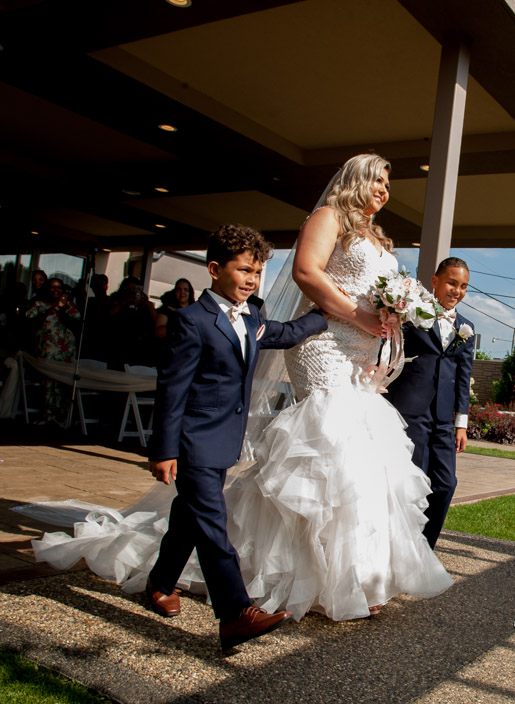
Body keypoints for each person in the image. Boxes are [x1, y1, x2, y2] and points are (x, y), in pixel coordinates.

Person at [32, 153, 451, 633]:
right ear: (354, 178)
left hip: (361, 350)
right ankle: (304, 582)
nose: (383, 189)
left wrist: (391, 317)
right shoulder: (327, 217)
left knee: (364, 460)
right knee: (330, 452)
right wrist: (357, 316)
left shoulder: (377, 236)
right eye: (376, 179)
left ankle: (355, 577)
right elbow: (308, 274)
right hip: (326, 347)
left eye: (387, 183)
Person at [147, 224, 329, 650]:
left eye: (257, 272)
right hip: (193, 440)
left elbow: (281, 334)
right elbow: (171, 391)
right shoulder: (190, 321)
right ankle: (235, 613)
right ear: (214, 269)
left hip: (225, 439)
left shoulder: (253, 315)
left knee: (192, 514)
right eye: (244, 270)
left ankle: (160, 581)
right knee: (212, 522)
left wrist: (323, 317)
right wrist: (164, 448)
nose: (252, 279)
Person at [385, 258, 475, 548]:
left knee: (446, 484)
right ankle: (400, 547)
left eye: (463, 286)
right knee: (412, 480)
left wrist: (460, 423)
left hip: (443, 419)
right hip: (410, 410)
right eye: (451, 282)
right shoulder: (412, 314)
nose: (456, 290)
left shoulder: (466, 328)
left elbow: (464, 378)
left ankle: (424, 548)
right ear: (435, 281)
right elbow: (390, 350)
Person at [24, 278, 82, 425]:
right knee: (48, 383)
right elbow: (30, 320)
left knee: (63, 383)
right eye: (52, 287)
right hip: (47, 348)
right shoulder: (39, 304)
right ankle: (48, 416)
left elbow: (76, 321)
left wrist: (62, 308)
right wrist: (50, 307)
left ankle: (62, 416)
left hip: (65, 350)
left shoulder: (68, 305)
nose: (56, 290)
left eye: (59, 288)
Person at [108, 277, 157, 367]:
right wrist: (126, 302)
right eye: (129, 289)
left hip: (140, 346)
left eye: (134, 289)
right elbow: (110, 314)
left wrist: (146, 303)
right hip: (120, 343)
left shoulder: (144, 303)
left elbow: (156, 320)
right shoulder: (118, 300)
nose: (132, 292)